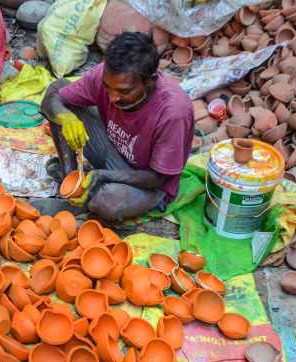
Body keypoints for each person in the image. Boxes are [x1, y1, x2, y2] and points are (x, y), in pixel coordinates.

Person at [41, 32, 194, 222]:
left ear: (150, 81)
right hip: (114, 151)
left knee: (108, 201)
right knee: (59, 93)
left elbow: (157, 179)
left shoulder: (173, 112)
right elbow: (52, 98)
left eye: (124, 91)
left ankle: (88, 195)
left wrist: (103, 175)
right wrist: (66, 118)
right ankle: (71, 183)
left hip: (147, 183)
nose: (113, 98)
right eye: (107, 87)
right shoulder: (106, 76)